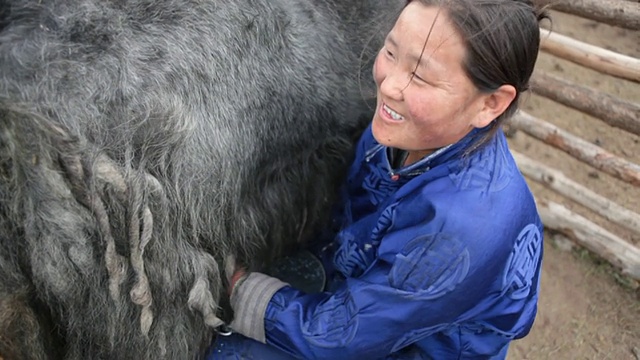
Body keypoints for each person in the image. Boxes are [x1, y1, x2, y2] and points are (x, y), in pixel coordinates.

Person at [208, 0, 548, 358]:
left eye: (419, 76)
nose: (389, 85)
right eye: (390, 51)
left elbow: (341, 337)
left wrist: (240, 290)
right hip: (365, 294)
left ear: (491, 103)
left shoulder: (461, 231)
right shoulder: (401, 131)